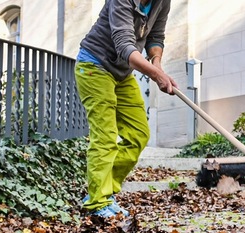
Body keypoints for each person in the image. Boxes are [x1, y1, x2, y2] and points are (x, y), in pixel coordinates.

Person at [75, 0, 178, 218]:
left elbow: (156, 37)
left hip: (121, 74)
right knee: (105, 137)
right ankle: (97, 203)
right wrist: (156, 75)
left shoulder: (162, 1)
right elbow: (124, 45)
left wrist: (157, 63)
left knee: (139, 134)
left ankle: (102, 190)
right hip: (94, 65)